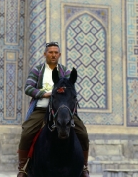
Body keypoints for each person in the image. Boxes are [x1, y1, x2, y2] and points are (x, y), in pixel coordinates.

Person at [17, 42, 90, 177]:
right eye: (50, 52)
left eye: (56, 53)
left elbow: (70, 89)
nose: (53, 55)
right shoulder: (38, 71)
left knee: (83, 134)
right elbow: (28, 88)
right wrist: (45, 94)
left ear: (59, 55)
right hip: (41, 110)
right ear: (45, 54)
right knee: (26, 133)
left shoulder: (66, 72)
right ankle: (23, 168)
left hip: (63, 110)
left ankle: (84, 166)